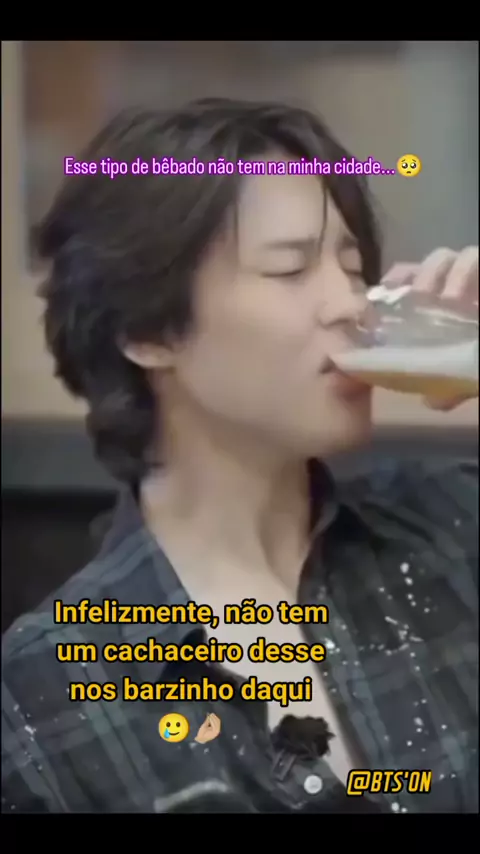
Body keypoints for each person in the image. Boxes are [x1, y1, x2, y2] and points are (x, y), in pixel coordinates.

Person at [2, 99, 478, 814]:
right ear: (148, 330)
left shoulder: (455, 529)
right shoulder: (44, 697)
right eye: (289, 269)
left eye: (353, 267)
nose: (351, 304)